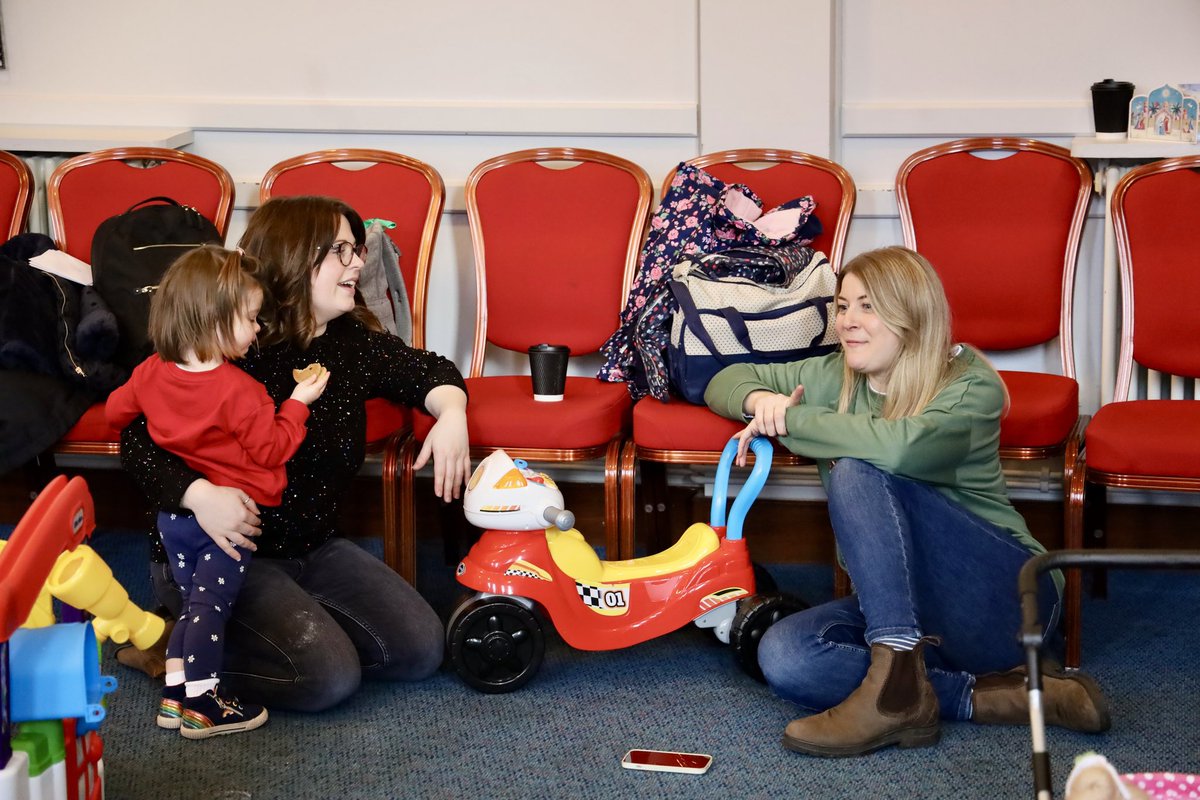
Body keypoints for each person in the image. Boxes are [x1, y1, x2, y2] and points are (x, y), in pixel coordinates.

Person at [704, 246, 1109, 757]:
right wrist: (761, 401)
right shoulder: (834, 375)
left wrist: (794, 421)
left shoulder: (969, 384)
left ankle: (896, 668)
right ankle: (977, 697)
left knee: (857, 466)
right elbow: (724, 378)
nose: (849, 321)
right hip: (905, 604)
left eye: (868, 306)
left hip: (1005, 600)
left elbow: (899, 447)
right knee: (784, 655)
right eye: (844, 306)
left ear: (912, 314)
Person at [118, 195, 470, 713]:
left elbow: (428, 371)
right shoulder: (231, 339)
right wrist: (200, 496)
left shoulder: (352, 343)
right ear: (295, 257)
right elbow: (136, 441)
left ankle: (247, 637)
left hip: (313, 546)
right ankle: (174, 647)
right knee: (326, 680)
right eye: (342, 251)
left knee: (420, 650)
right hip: (216, 549)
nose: (358, 263)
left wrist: (452, 413)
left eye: (358, 250)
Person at [107, 245, 329, 737]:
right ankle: (205, 702)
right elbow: (272, 449)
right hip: (226, 529)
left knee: (193, 607)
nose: (256, 329)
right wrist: (297, 403)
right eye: (250, 319)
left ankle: (175, 696)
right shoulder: (238, 390)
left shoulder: (149, 373)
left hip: (174, 524)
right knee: (211, 611)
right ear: (214, 319)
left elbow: (115, 414)